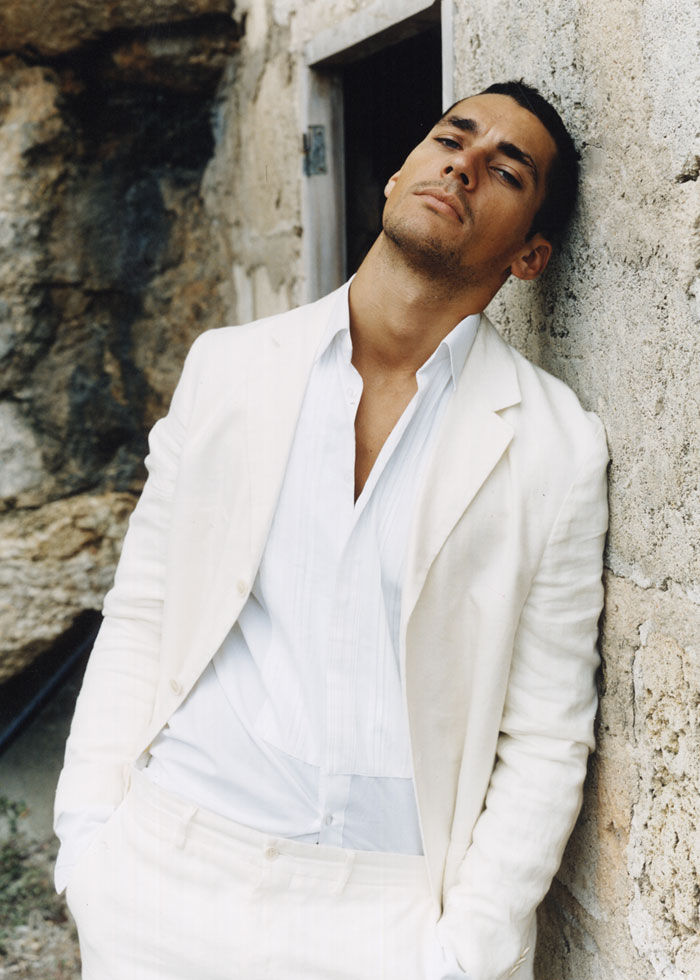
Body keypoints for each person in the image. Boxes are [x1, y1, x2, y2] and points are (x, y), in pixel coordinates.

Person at [54, 80, 609, 980]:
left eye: (506, 170)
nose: (463, 166)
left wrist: (465, 951)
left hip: (384, 917)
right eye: (451, 139)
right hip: (166, 869)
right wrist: (88, 840)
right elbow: (143, 612)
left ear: (530, 257)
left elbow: (546, 731)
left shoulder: (555, 446)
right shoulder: (229, 369)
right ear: (396, 174)